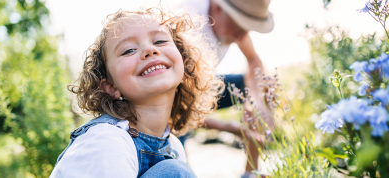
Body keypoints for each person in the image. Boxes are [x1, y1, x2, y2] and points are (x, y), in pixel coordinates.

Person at [50, 7, 224, 178]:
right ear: (111, 86)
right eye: (128, 50)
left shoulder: (173, 146)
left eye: (159, 41)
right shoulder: (107, 140)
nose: (149, 50)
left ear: (185, 67)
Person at [175, 0, 274, 177]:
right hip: (174, 105)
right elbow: (176, 108)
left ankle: (250, 173)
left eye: (247, 27)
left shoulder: (236, 29)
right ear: (218, 7)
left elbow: (254, 61)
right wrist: (231, 128)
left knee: (265, 83)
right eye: (238, 24)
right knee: (178, 169)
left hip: (201, 87)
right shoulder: (187, 26)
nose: (241, 35)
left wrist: (255, 100)